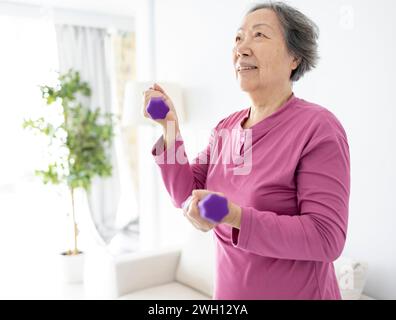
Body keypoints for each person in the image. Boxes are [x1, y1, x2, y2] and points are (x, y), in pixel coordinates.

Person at [142, 1, 350, 300]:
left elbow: (326, 238)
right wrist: (170, 127)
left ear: (295, 57)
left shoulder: (318, 127)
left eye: (259, 35)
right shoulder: (225, 130)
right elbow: (186, 193)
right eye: (238, 38)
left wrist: (235, 216)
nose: (242, 47)